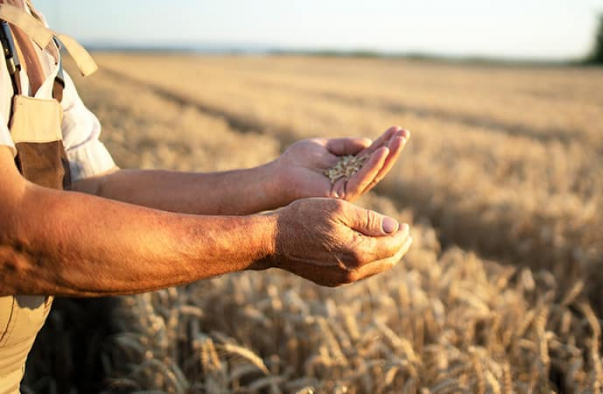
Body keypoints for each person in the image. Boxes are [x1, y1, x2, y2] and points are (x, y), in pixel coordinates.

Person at [0, 0, 412, 392]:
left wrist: (274, 180)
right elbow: (11, 236)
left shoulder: (25, 23)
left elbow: (97, 187)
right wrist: (272, 241)